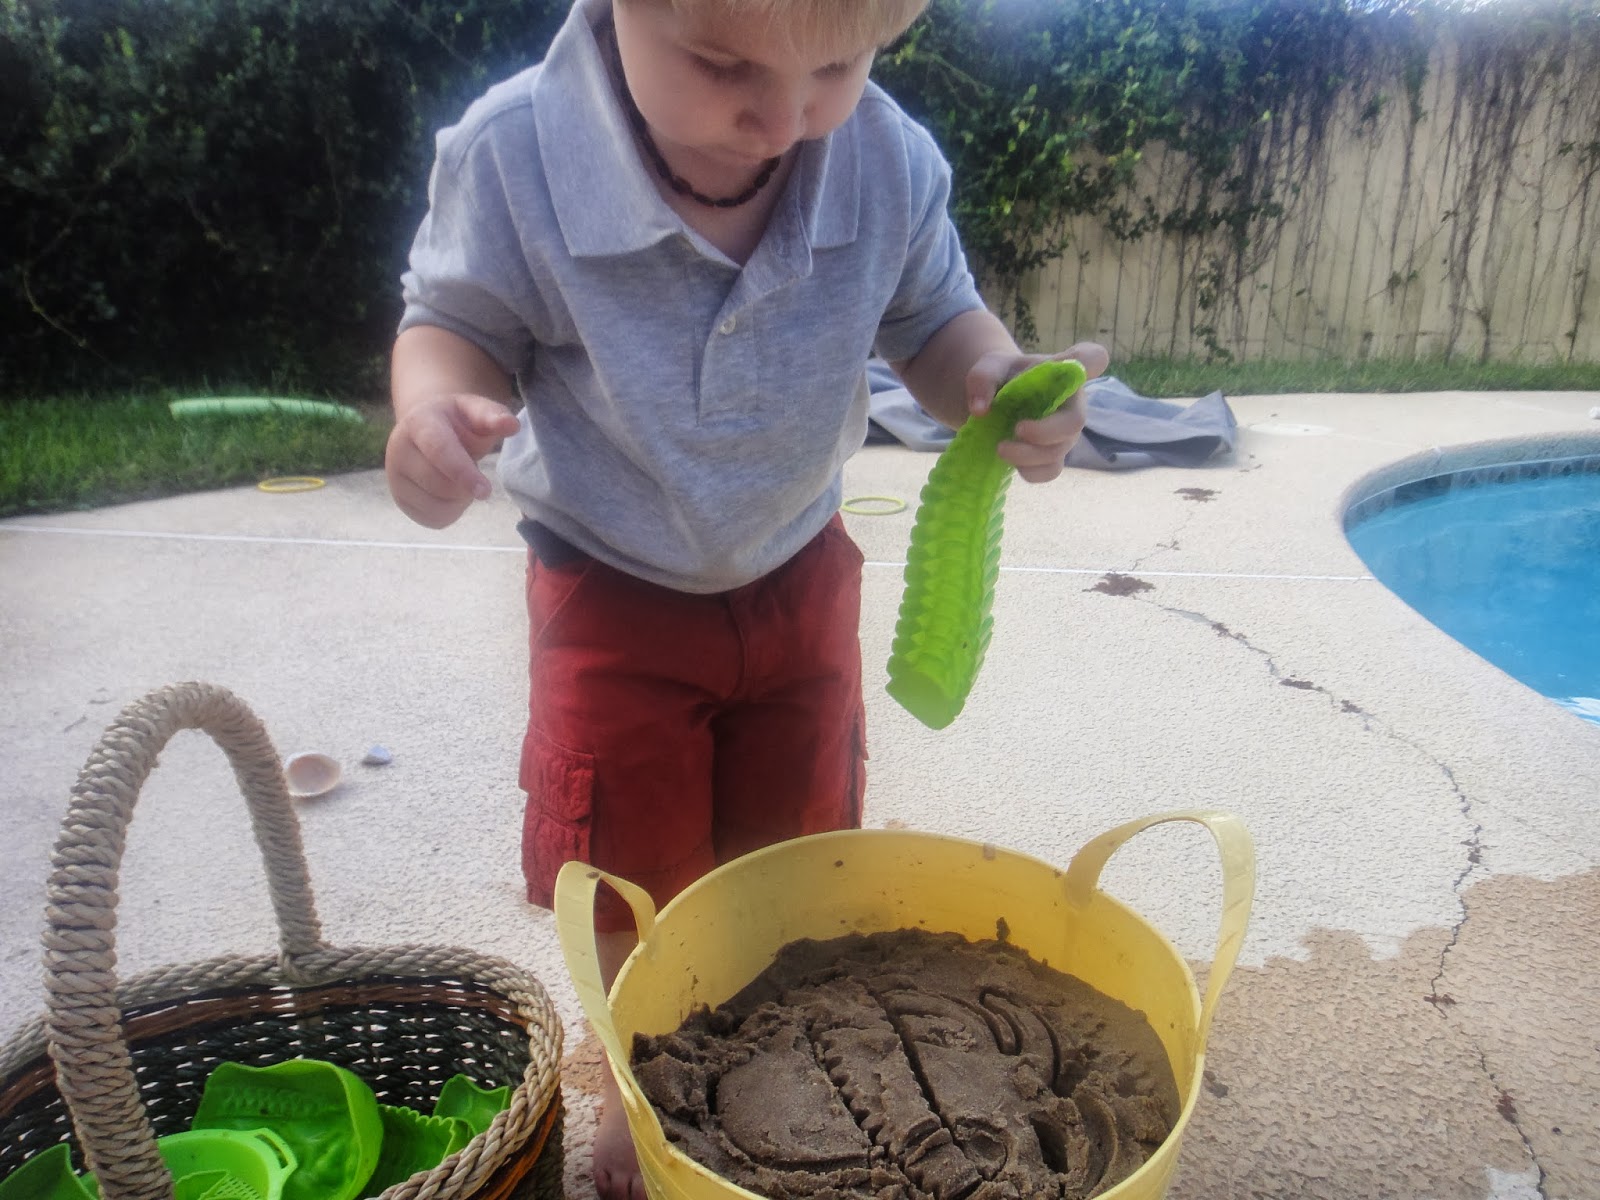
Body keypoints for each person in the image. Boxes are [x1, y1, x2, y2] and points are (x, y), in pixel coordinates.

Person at [385, 0, 1107, 1194]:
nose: (783, 118)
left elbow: (933, 318)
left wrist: (986, 375)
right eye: (723, 63)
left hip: (796, 571)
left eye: (835, 63)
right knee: (634, 864)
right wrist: (432, 410)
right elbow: (452, 322)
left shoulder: (881, 157)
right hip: (611, 589)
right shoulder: (516, 155)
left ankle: (786, 1067)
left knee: (797, 846)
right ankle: (639, 1074)